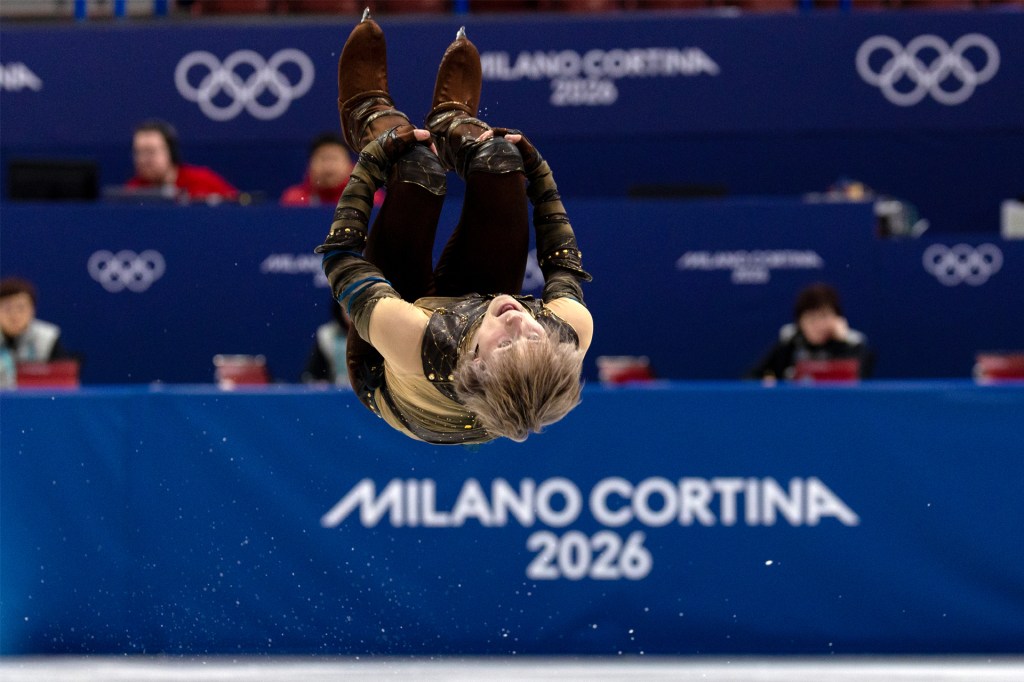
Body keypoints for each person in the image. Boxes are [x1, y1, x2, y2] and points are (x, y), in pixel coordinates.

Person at [314, 12, 594, 444]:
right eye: (533, 335)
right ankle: (451, 126)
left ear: (478, 361)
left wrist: (372, 159)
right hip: (473, 330)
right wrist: (539, 174)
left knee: (416, 169)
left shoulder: (413, 341)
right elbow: (562, 264)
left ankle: (368, 116)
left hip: (386, 368)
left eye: (506, 343)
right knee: (502, 160)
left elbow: (341, 260)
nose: (517, 319)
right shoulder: (568, 333)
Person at [748, 282, 874, 381]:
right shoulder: (789, 342)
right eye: (811, 318)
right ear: (799, 321)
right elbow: (751, 377)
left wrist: (842, 344)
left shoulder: (853, 345)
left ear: (837, 318)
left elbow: (859, 380)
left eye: (824, 316)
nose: (818, 325)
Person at [126, 119, 239, 202]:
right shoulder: (133, 192)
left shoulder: (203, 181)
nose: (143, 160)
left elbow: (236, 204)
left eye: (151, 152)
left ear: (171, 151)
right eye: (138, 152)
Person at [0, 277, 73, 387]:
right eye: (7, 308)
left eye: (21, 308)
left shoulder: (48, 337)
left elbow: (63, 381)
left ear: (32, 310)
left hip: (36, 396)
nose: (14, 315)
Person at [280, 132, 383, 208]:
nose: (328, 166)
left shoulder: (369, 198)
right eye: (323, 159)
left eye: (334, 158)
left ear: (350, 165)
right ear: (310, 165)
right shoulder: (294, 200)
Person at [301, 299, 351, 386]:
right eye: (347, 308)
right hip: (338, 391)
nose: (352, 313)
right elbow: (311, 375)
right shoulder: (327, 335)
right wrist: (318, 382)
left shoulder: (373, 333)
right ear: (339, 309)